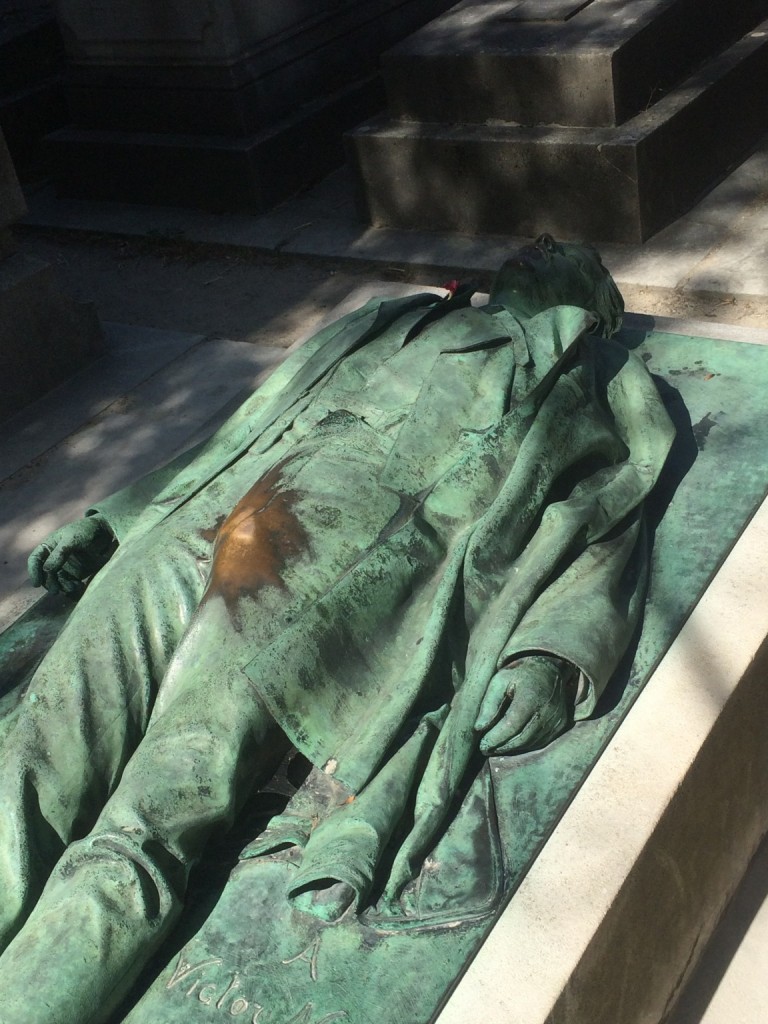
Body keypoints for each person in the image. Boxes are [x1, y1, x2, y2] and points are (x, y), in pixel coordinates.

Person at [0, 236, 674, 1024]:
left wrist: (554, 652)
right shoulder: (392, 318)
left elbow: (610, 517)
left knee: (147, 823)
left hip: (329, 569)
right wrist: (114, 518)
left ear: (597, 306)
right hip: (198, 524)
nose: (544, 242)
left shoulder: (595, 373)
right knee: (34, 752)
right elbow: (241, 426)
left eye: (575, 254)